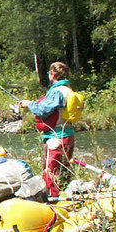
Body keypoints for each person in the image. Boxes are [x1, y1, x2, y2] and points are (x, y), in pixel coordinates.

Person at [19, 62, 76, 197]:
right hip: (68, 134)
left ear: (52, 75)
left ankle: (53, 200)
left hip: (56, 137)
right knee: (64, 172)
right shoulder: (68, 90)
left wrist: (29, 104)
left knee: (51, 173)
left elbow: (43, 111)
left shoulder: (57, 91)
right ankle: (65, 198)